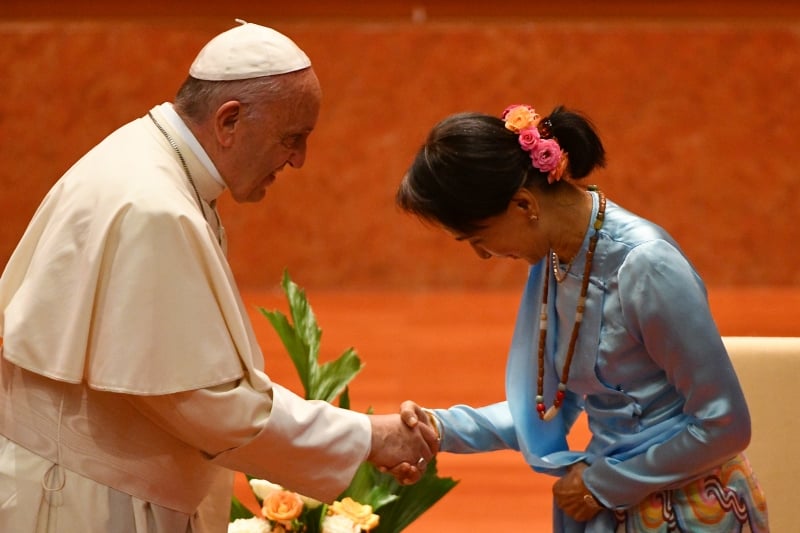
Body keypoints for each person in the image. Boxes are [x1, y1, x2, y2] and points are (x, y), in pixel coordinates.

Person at [0, 20, 436, 533]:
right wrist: (368, 437)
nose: (298, 160)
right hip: (82, 498)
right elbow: (205, 403)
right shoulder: (153, 207)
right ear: (229, 120)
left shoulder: (149, 160)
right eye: (292, 138)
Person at [396, 104, 769, 532]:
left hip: (695, 508)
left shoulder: (646, 265)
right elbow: (549, 407)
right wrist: (436, 427)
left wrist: (602, 483)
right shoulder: (559, 258)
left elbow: (725, 426)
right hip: (615, 501)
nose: (482, 255)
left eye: (478, 239)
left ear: (523, 204)